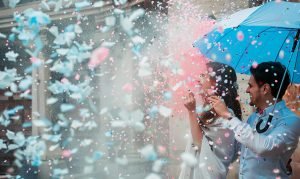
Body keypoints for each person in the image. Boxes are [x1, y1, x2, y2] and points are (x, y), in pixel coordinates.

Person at [208, 61, 300, 178]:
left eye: (251, 86)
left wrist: (228, 116)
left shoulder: (291, 120)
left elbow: (265, 147)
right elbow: (240, 150)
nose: (247, 90)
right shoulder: (254, 117)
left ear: (265, 89)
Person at [182, 61, 242, 179]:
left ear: (216, 83)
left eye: (204, 75)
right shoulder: (209, 111)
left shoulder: (226, 116)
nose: (198, 79)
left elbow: (199, 145)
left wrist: (191, 111)